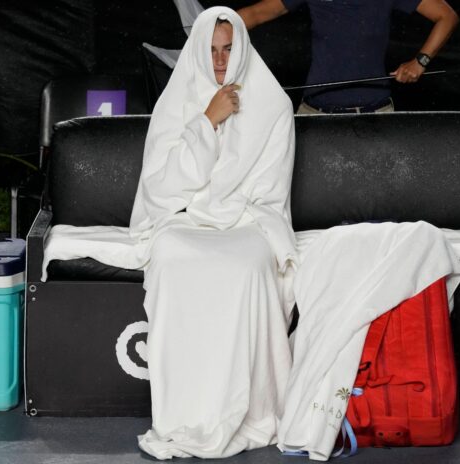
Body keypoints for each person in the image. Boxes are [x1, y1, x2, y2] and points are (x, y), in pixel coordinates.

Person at [131, 6, 298, 459]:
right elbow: (161, 188)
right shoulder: (177, 102)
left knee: (248, 266)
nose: (221, 61)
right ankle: (183, 413)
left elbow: (269, 191)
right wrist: (207, 121)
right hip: (185, 220)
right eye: (210, 51)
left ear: (242, 48)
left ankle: (249, 409)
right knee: (171, 257)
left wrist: (223, 205)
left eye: (228, 49)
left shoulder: (274, 106)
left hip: (247, 221)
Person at [238, 0, 459, 113]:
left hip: (375, 115)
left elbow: (447, 16)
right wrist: (218, 25)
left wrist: (420, 61)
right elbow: (255, 14)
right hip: (313, 114)